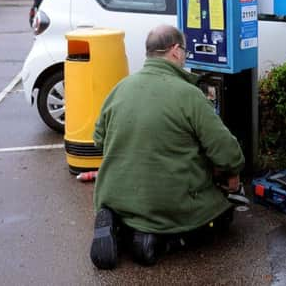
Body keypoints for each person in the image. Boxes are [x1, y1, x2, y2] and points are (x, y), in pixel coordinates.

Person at [90, 24, 245, 269]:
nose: (185, 56)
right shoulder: (189, 94)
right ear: (175, 51)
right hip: (167, 202)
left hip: (114, 194)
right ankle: (153, 240)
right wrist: (233, 172)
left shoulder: (120, 88)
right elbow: (226, 152)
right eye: (184, 50)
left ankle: (117, 223)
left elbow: (98, 139)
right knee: (223, 216)